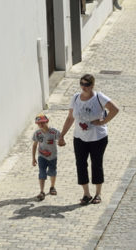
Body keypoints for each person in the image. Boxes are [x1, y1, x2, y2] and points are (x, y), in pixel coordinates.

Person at [59, 74, 119, 205]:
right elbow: (70, 118)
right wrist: (62, 134)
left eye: (86, 85)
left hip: (97, 138)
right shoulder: (75, 98)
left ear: (92, 85)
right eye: (82, 84)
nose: (83, 87)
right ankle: (86, 194)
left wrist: (103, 121)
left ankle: (98, 194)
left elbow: (115, 109)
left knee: (96, 164)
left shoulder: (99, 97)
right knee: (80, 164)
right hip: (79, 137)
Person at [31, 114, 59, 201]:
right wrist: (33, 158)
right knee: (42, 173)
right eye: (39, 123)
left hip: (52, 156)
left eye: (43, 123)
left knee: (52, 172)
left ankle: (52, 187)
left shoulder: (54, 132)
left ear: (47, 121)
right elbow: (35, 145)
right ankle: (42, 191)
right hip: (42, 156)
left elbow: (60, 139)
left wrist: (62, 142)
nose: (41, 125)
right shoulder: (37, 133)